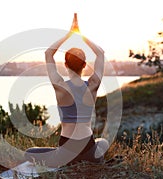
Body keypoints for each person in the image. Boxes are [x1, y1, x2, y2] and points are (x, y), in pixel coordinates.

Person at [25, 17, 109, 168]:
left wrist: (69, 34)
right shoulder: (93, 85)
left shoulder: (60, 86)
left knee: (29, 153)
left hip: (66, 153)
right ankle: (88, 158)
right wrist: (81, 35)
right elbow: (100, 53)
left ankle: (66, 158)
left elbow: (48, 54)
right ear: (84, 65)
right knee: (103, 142)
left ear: (65, 65)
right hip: (89, 149)